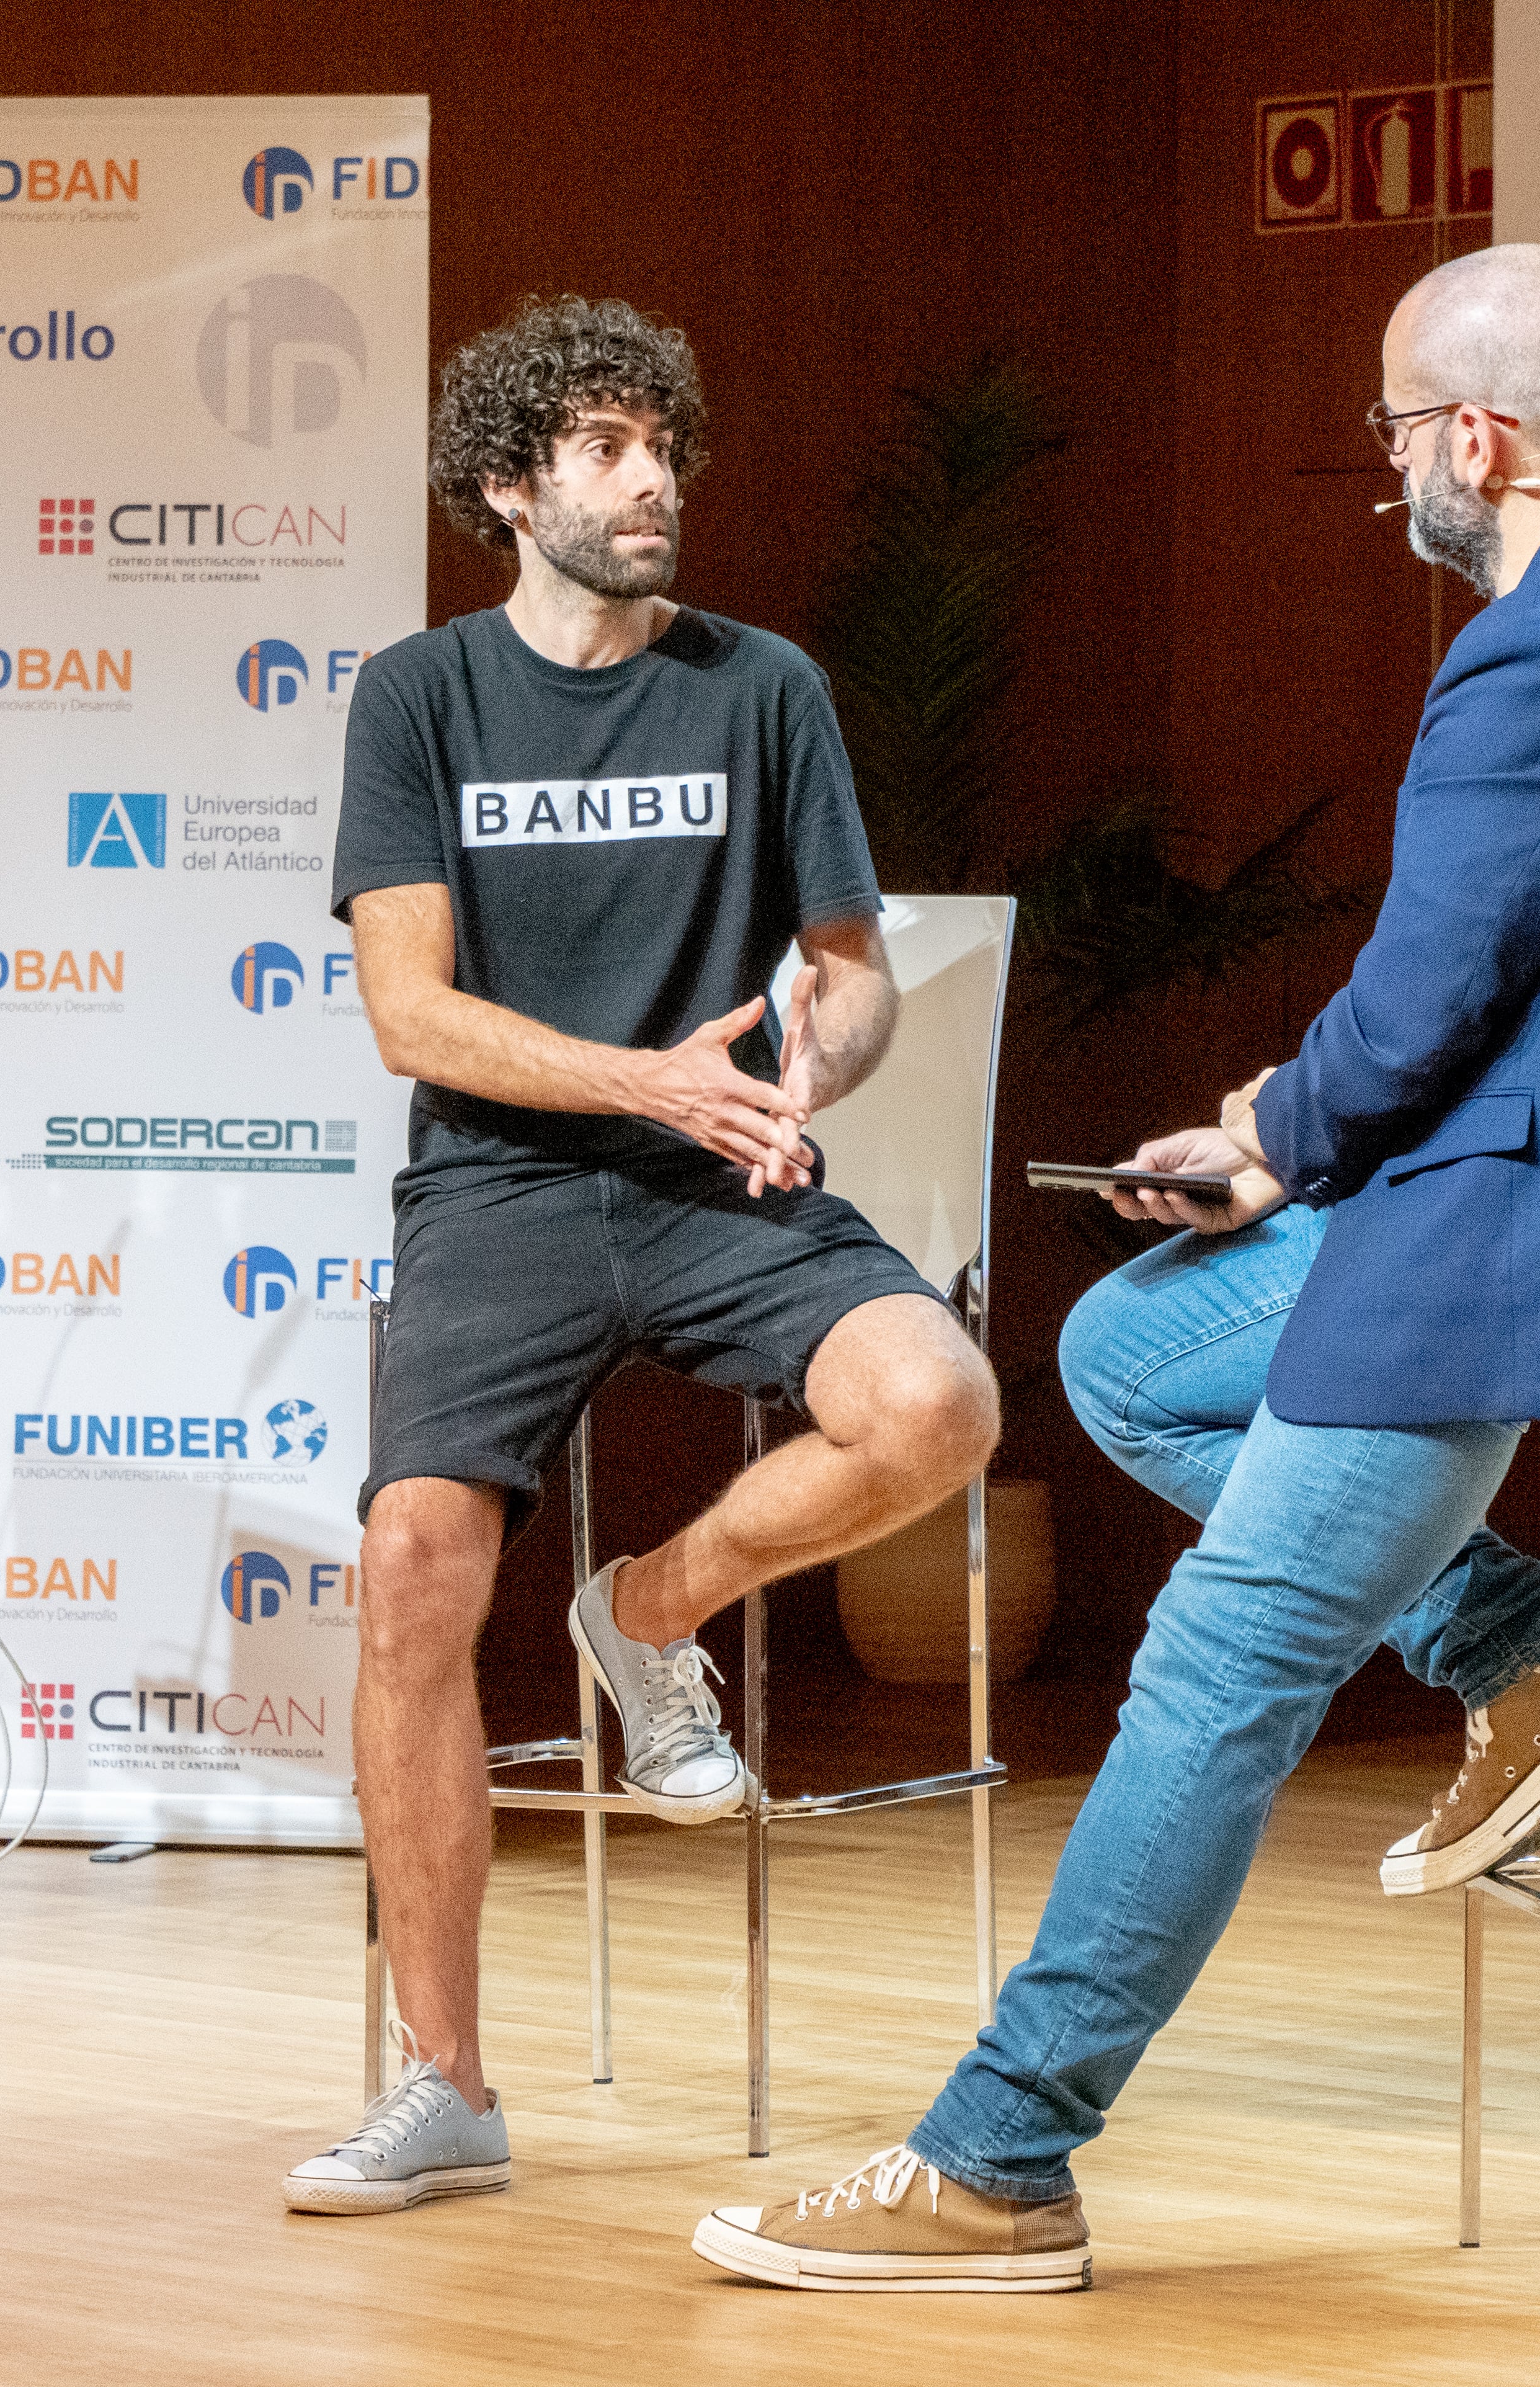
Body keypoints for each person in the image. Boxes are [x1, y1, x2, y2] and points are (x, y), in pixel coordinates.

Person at [692, 244, 1540, 2290]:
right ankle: (1527, 1652)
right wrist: (1280, 1145)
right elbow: (1538, 985)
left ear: (1475, 438)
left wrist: (1293, 1129)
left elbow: (1435, 998)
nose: (1390, 477)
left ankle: (999, 2164)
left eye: (1394, 435)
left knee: (1220, 1662)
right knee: (1136, 1348)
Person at [285, 295, 999, 2217]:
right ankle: (443, 2083)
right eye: (604, 450)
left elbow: (845, 981)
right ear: (508, 488)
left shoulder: (762, 686)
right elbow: (411, 1018)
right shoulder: (421, 697)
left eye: (663, 445)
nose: (652, 479)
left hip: (716, 1186)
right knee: (413, 1569)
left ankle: (653, 1611)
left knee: (935, 1401)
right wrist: (651, 1084)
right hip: (503, 1192)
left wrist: (801, 1077)